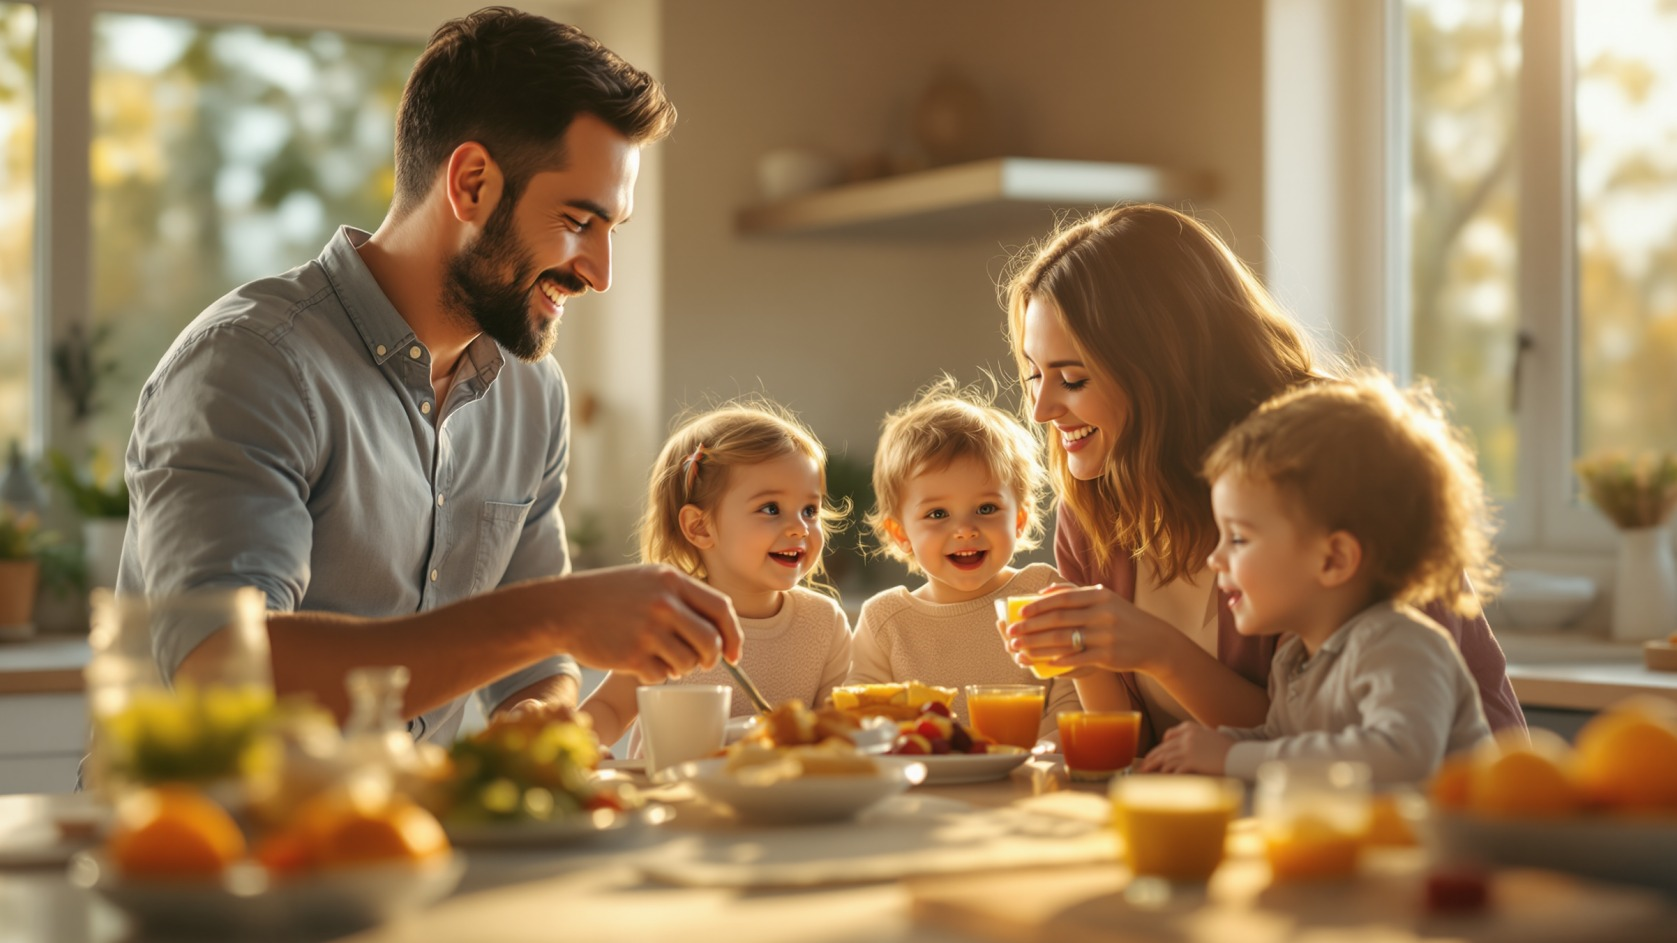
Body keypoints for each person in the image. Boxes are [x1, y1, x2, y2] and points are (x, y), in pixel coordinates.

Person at [117, 7, 740, 744]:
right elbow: (224, 671)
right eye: (579, 221)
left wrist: (536, 716)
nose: (600, 274)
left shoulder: (531, 392)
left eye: (612, 229)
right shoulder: (250, 363)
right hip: (207, 816)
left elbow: (533, 662)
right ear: (472, 184)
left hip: (408, 815)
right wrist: (558, 614)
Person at [998, 204, 1524, 755]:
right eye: (1033, 374)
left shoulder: (1329, 463)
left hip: (1448, 800)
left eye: (1072, 379)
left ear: (1166, 367)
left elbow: (1347, 741)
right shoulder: (1095, 505)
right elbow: (1136, 750)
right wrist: (1084, 654)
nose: (1040, 410)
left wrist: (1160, 652)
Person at [1139, 374, 1495, 784]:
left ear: (1334, 559)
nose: (1214, 558)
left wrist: (1233, 756)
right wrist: (1215, 745)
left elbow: (1400, 758)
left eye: (1238, 538)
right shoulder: (1294, 659)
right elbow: (1286, 744)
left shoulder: (1399, 645)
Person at [580, 402, 852, 750]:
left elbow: (838, 728)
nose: (800, 528)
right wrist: (582, 749)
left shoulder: (825, 623)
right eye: (771, 509)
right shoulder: (668, 620)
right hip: (672, 785)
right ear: (700, 527)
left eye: (810, 510)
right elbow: (611, 708)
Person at [847, 378, 1078, 742]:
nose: (966, 530)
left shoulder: (1042, 593)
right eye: (937, 514)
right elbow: (862, 723)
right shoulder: (884, 620)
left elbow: (1073, 707)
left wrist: (1030, 755)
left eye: (986, 508)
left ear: (1019, 519)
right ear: (901, 533)